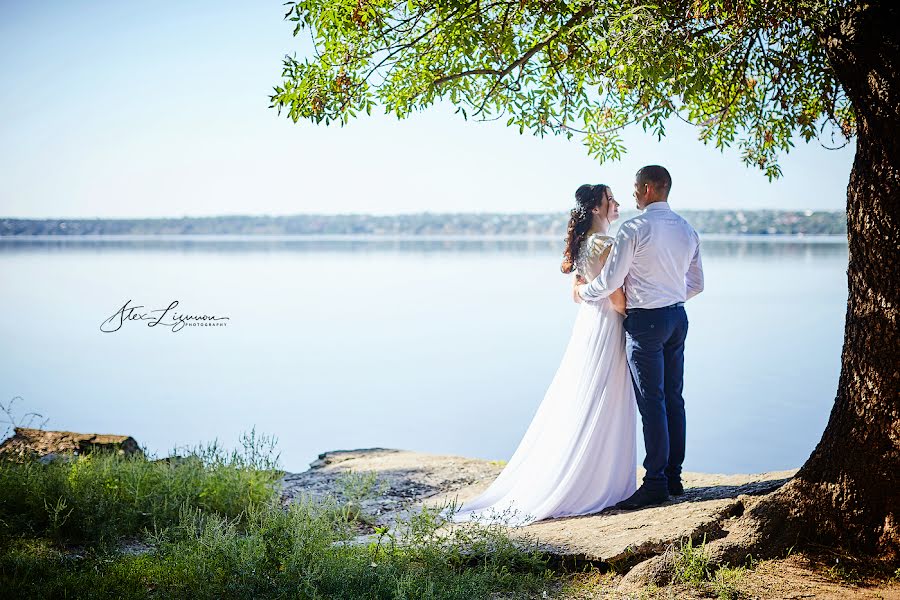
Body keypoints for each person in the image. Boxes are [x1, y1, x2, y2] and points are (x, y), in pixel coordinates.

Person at [439, 184, 637, 527]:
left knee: (591, 396)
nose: (617, 203)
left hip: (591, 322)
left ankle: (595, 473)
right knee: (607, 395)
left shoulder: (586, 243)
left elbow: (580, 291)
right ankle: (600, 480)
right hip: (608, 323)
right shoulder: (605, 243)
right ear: (596, 208)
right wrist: (636, 316)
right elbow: (616, 296)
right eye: (611, 199)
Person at [578, 165, 704, 510]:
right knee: (674, 398)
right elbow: (697, 284)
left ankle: (656, 484)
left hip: (646, 322)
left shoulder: (634, 228)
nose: (631, 194)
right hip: (677, 317)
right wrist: (670, 297)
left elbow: (610, 281)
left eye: (634, 188)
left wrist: (583, 292)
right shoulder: (687, 229)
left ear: (648, 189)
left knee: (653, 401)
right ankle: (674, 477)